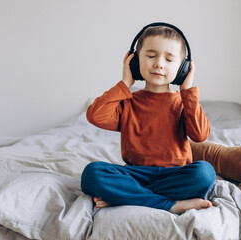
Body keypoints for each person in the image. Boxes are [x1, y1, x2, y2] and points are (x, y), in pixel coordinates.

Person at [81, 24, 216, 214]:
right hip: (135, 174)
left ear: (183, 68)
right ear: (134, 61)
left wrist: (187, 93)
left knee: (205, 173)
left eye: (169, 59)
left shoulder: (183, 102)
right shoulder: (128, 102)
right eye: (151, 56)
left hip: (175, 174)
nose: (159, 63)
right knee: (92, 174)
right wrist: (125, 83)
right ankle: (170, 204)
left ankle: (125, 196)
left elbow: (200, 135)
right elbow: (95, 116)